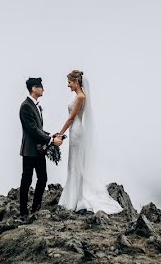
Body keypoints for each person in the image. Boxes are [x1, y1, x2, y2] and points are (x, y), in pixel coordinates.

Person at [57, 70, 123, 214]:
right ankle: (73, 195)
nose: (68, 86)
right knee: (74, 162)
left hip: (76, 130)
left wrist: (60, 134)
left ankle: (76, 197)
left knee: (76, 163)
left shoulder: (80, 97)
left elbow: (71, 118)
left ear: (76, 82)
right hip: (76, 129)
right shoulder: (79, 96)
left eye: (69, 82)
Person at [18, 77, 64, 221]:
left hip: (38, 150)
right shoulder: (26, 106)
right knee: (26, 181)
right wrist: (51, 140)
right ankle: (23, 213)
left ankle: (35, 209)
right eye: (41, 86)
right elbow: (32, 130)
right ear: (33, 88)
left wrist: (51, 135)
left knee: (42, 178)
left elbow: (39, 129)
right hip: (29, 151)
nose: (43, 89)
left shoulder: (35, 105)